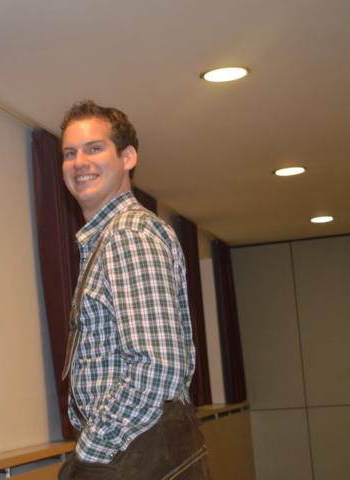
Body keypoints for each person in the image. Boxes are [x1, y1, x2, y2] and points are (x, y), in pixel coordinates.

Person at [58, 101, 211, 479]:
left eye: (94, 148)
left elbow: (157, 367)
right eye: (69, 153)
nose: (79, 162)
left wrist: (91, 452)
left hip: (127, 455)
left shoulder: (128, 234)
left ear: (127, 157)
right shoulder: (111, 237)